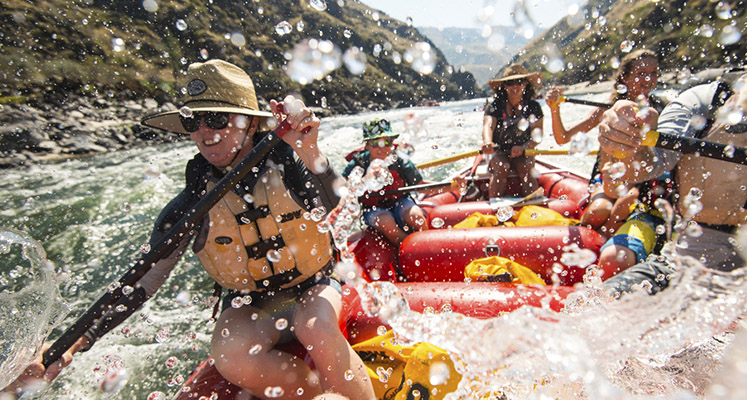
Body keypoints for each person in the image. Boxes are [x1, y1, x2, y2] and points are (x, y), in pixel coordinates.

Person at [4, 60, 376, 400]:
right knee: (230, 356)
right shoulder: (189, 206)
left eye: (215, 118)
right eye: (191, 121)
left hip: (315, 286)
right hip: (251, 303)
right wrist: (69, 348)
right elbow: (142, 283)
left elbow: (341, 209)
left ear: (248, 122)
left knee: (317, 328)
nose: (203, 132)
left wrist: (311, 153)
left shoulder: (291, 166)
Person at [596, 0, 747, 295]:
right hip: (702, 259)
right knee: (607, 302)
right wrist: (623, 144)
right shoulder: (701, 103)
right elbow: (641, 168)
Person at [545, 49, 665, 237]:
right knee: (598, 212)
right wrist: (554, 109)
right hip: (606, 179)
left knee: (627, 201)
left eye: (653, 73)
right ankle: (588, 238)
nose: (649, 79)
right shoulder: (607, 109)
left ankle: (603, 242)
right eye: (641, 74)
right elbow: (563, 138)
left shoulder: (661, 110)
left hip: (641, 183)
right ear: (625, 77)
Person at [343, 119, 435, 247]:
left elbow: (421, 185)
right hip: (374, 209)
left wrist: (454, 185)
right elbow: (342, 190)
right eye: (375, 143)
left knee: (416, 217)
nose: (382, 148)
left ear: (392, 143)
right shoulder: (357, 165)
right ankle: (409, 250)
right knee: (386, 222)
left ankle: (428, 246)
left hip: (401, 201)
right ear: (367, 145)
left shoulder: (399, 160)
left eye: (387, 142)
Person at [481, 64, 544, 198]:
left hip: (524, 151)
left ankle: (533, 207)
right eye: (510, 83)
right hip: (498, 151)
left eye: (519, 82)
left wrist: (523, 147)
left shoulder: (534, 107)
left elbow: (537, 136)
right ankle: (496, 206)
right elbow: (488, 125)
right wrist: (488, 142)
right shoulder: (495, 106)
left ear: (526, 84)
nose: (515, 86)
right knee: (502, 165)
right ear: (505, 86)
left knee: (526, 166)